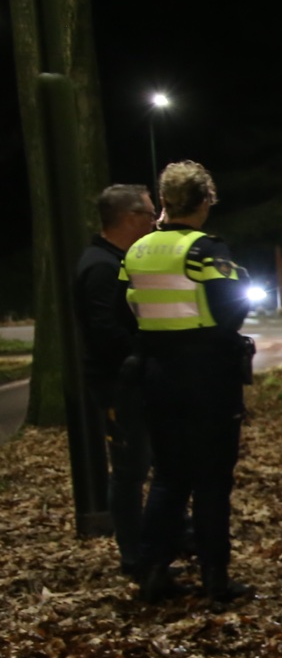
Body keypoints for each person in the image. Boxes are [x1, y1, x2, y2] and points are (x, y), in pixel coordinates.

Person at [122, 161, 252, 603]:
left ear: (164, 201)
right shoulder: (205, 250)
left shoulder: (138, 251)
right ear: (205, 202)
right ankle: (216, 580)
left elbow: (129, 309)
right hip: (207, 376)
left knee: (168, 477)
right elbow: (230, 311)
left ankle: (152, 570)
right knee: (212, 481)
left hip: (157, 374)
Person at [73, 184, 157, 576]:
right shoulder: (102, 268)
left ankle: (157, 540)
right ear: (129, 218)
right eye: (149, 214)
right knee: (129, 469)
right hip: (116, 385)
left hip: (127, 379)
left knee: (141, 462)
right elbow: (106, 331)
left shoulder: (113, 261)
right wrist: (143, 351)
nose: (154, 222)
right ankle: (133, 555)